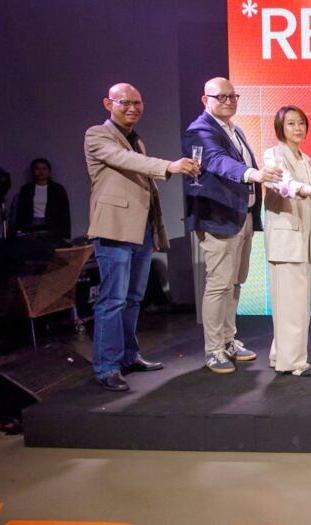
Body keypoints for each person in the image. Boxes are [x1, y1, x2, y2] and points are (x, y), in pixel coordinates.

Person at [84, 82, 200, 391]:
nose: (133, 108)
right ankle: (106, 366)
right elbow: (126, 160)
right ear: (108, 104)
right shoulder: (97, 135)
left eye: (137, 103)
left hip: (141, 229)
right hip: (114, 229)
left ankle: (128, 355)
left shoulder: (136, 140)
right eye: (125, 102)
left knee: (134, 298)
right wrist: (170, 166)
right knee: (113, 300)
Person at [183, 77, 281, 373]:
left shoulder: (234, 129)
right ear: (206, 100)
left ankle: (228, 340)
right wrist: (253, 174)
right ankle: (214, 349)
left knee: (235, 282)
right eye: (221, 97)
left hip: (242, 216)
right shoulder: (200, 130)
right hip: (219, 218)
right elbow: (216, 161)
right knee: (219, 284)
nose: (228, 101)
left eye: (233, 96)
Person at [262, 106, 311, 377]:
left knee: (295, 304)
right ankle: (293, 362)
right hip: (286, 240)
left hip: (303, 240)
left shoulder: (305, 158)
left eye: (301, 123)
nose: (298, 128)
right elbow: (285, 186)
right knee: (291, 305)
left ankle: (280, 354)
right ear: (280, 127)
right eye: (291, 123)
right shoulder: (273, 154)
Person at [10, 158, 71, 239]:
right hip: (31, 226)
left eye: (44, 168)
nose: (41, 172)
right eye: (37, 168)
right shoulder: (26, 189)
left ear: (49, 171)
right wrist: (20, 230)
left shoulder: (58, 189)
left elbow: (64, 212)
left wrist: (65, 234)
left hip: (52, 226)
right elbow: (21, 211)